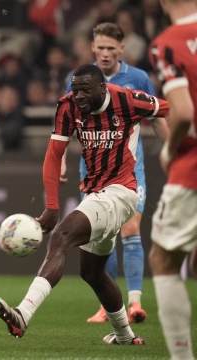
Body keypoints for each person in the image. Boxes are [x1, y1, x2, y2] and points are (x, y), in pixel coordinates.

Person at [0, 64, 169, 345]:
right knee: (92, 272)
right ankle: (125, 336)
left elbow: (167, 108)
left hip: (122, 192)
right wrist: (51, 205)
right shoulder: (68, 107)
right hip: (96, 195)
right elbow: (53, 155)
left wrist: (176, 148)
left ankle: (23, 314)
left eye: (86, 90)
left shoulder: (128, 99)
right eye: (76, 90)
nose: (80, 96)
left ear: (102, 87)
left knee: (62, 236)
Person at [62, 22, 168, 324]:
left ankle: (135, 303)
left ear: (122, 49)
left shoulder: (138, 78)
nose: (106, 53)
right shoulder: (81, 79)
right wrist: (60, 160)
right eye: (101, 48)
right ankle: (108, 308)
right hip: (92, 174)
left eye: (112, 48)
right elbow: (66, 122)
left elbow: (158, 114)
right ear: (93, 47)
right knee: (99, 239)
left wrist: (172, 150)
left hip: (131, 172)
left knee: (130, 229)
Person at [148, 0, 197, 358]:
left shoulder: (168, 41)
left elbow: (182, 112)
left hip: (192, 168)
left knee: (164, 260)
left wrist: (169, 151)